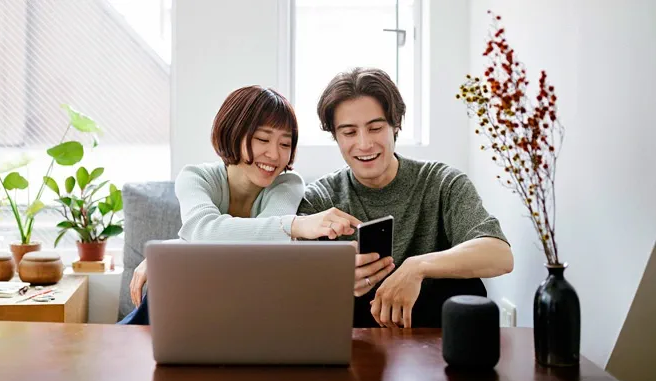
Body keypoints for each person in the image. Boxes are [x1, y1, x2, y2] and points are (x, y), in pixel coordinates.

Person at [120, 85, 360, 324]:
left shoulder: (287, 184)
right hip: (188, 311)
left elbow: (258, 256)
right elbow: (204, 232)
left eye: (285, 144)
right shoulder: (196, 178)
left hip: (244, 313)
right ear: (233, 133)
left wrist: (171, 250)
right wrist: (295, 225)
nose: (275, 155)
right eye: (262, 139)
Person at [297, 67, 514, 329]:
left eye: (375, 128)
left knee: (464, 285)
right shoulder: (320, 198)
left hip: (435, 348)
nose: (364, 144)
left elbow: (500, 255)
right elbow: (288, 278)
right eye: (349, 133)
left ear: (395, 124)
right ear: (336, 136)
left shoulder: (442, 183)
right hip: (355, 349)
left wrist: (417, 266)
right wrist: (335, 274)